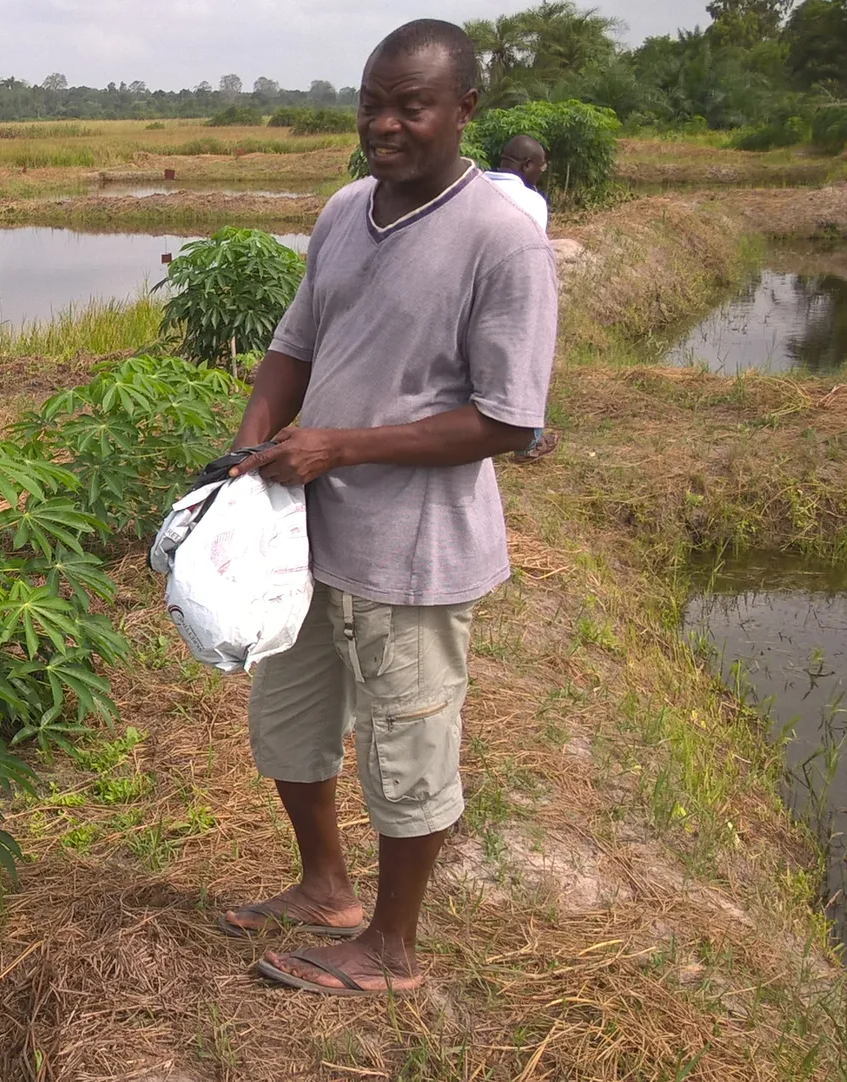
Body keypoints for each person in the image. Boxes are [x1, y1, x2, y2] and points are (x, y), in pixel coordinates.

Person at [213, 18, 557, 996]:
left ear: (465, 110)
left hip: (417, 551)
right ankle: (326, 887)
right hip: (311, 533)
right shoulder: (343, 210)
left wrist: (340, 443)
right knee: (289, 722)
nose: (386, 126)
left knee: (410, 751)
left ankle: (392, 945)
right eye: (373, 104)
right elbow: (294, 345)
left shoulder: (502, 242)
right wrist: (254, 442)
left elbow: (505, 418)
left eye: (411, 106)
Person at [485, 134, 561, 462]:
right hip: (503, 297)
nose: (539, 176)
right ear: (527, 165)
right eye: (539, 169)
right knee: (520, 366)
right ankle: (527, 442)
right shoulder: (531, 202)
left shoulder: (474, 185)